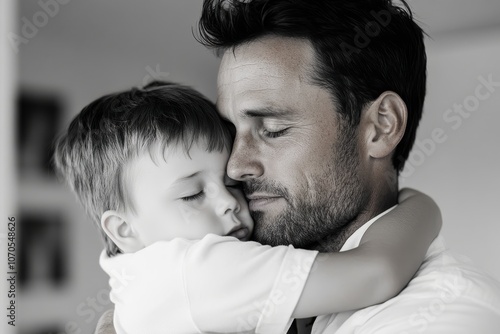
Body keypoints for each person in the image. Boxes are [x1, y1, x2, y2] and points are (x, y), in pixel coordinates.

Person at [195, 0, 500, 332]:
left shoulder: (444, 316)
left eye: (273, 129)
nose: (235, 168)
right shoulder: (211, 279)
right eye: (229, 134)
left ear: (382, 126)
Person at [54, 81, 441, 334]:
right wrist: (421, 205)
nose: (228, 203)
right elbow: (377, 273)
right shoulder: (198, 269)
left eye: (229, 183)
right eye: (192, 195)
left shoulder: (141, 282)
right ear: (123, 230)